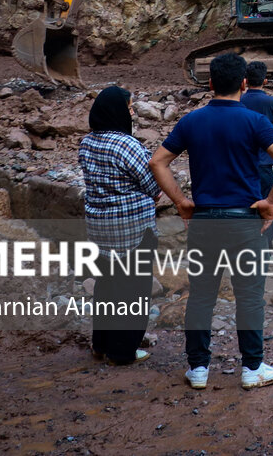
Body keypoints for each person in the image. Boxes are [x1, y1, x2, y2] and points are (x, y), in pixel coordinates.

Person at [149, 53, 273, 391]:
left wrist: (182, 202)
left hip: (204, 223)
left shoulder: (191, 121)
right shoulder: (255, 121)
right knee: (249, 296)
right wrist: (271, 203)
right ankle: (252, 368)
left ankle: (198, 368)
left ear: (211, 83)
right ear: (244, 83)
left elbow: (158, 162)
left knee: (201, 296)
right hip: (244, 222)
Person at [80, 85, 159, 365]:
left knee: (107, 286)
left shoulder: (88, 142)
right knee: (133, 289)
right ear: (117, 111)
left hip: (99, 227)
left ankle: (100, 344)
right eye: (129, 107)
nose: (132, 111)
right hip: (131, 230)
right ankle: (123, 351)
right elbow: (153, 184)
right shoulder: (127, 145)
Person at [240, 61, 273, 247]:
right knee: (267, 203)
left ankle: (245, 240)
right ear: (265, 80)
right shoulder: (271, 102)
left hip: (242, 162)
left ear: (245, 80)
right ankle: (267, 242)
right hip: (264, 161)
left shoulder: (239, 101)